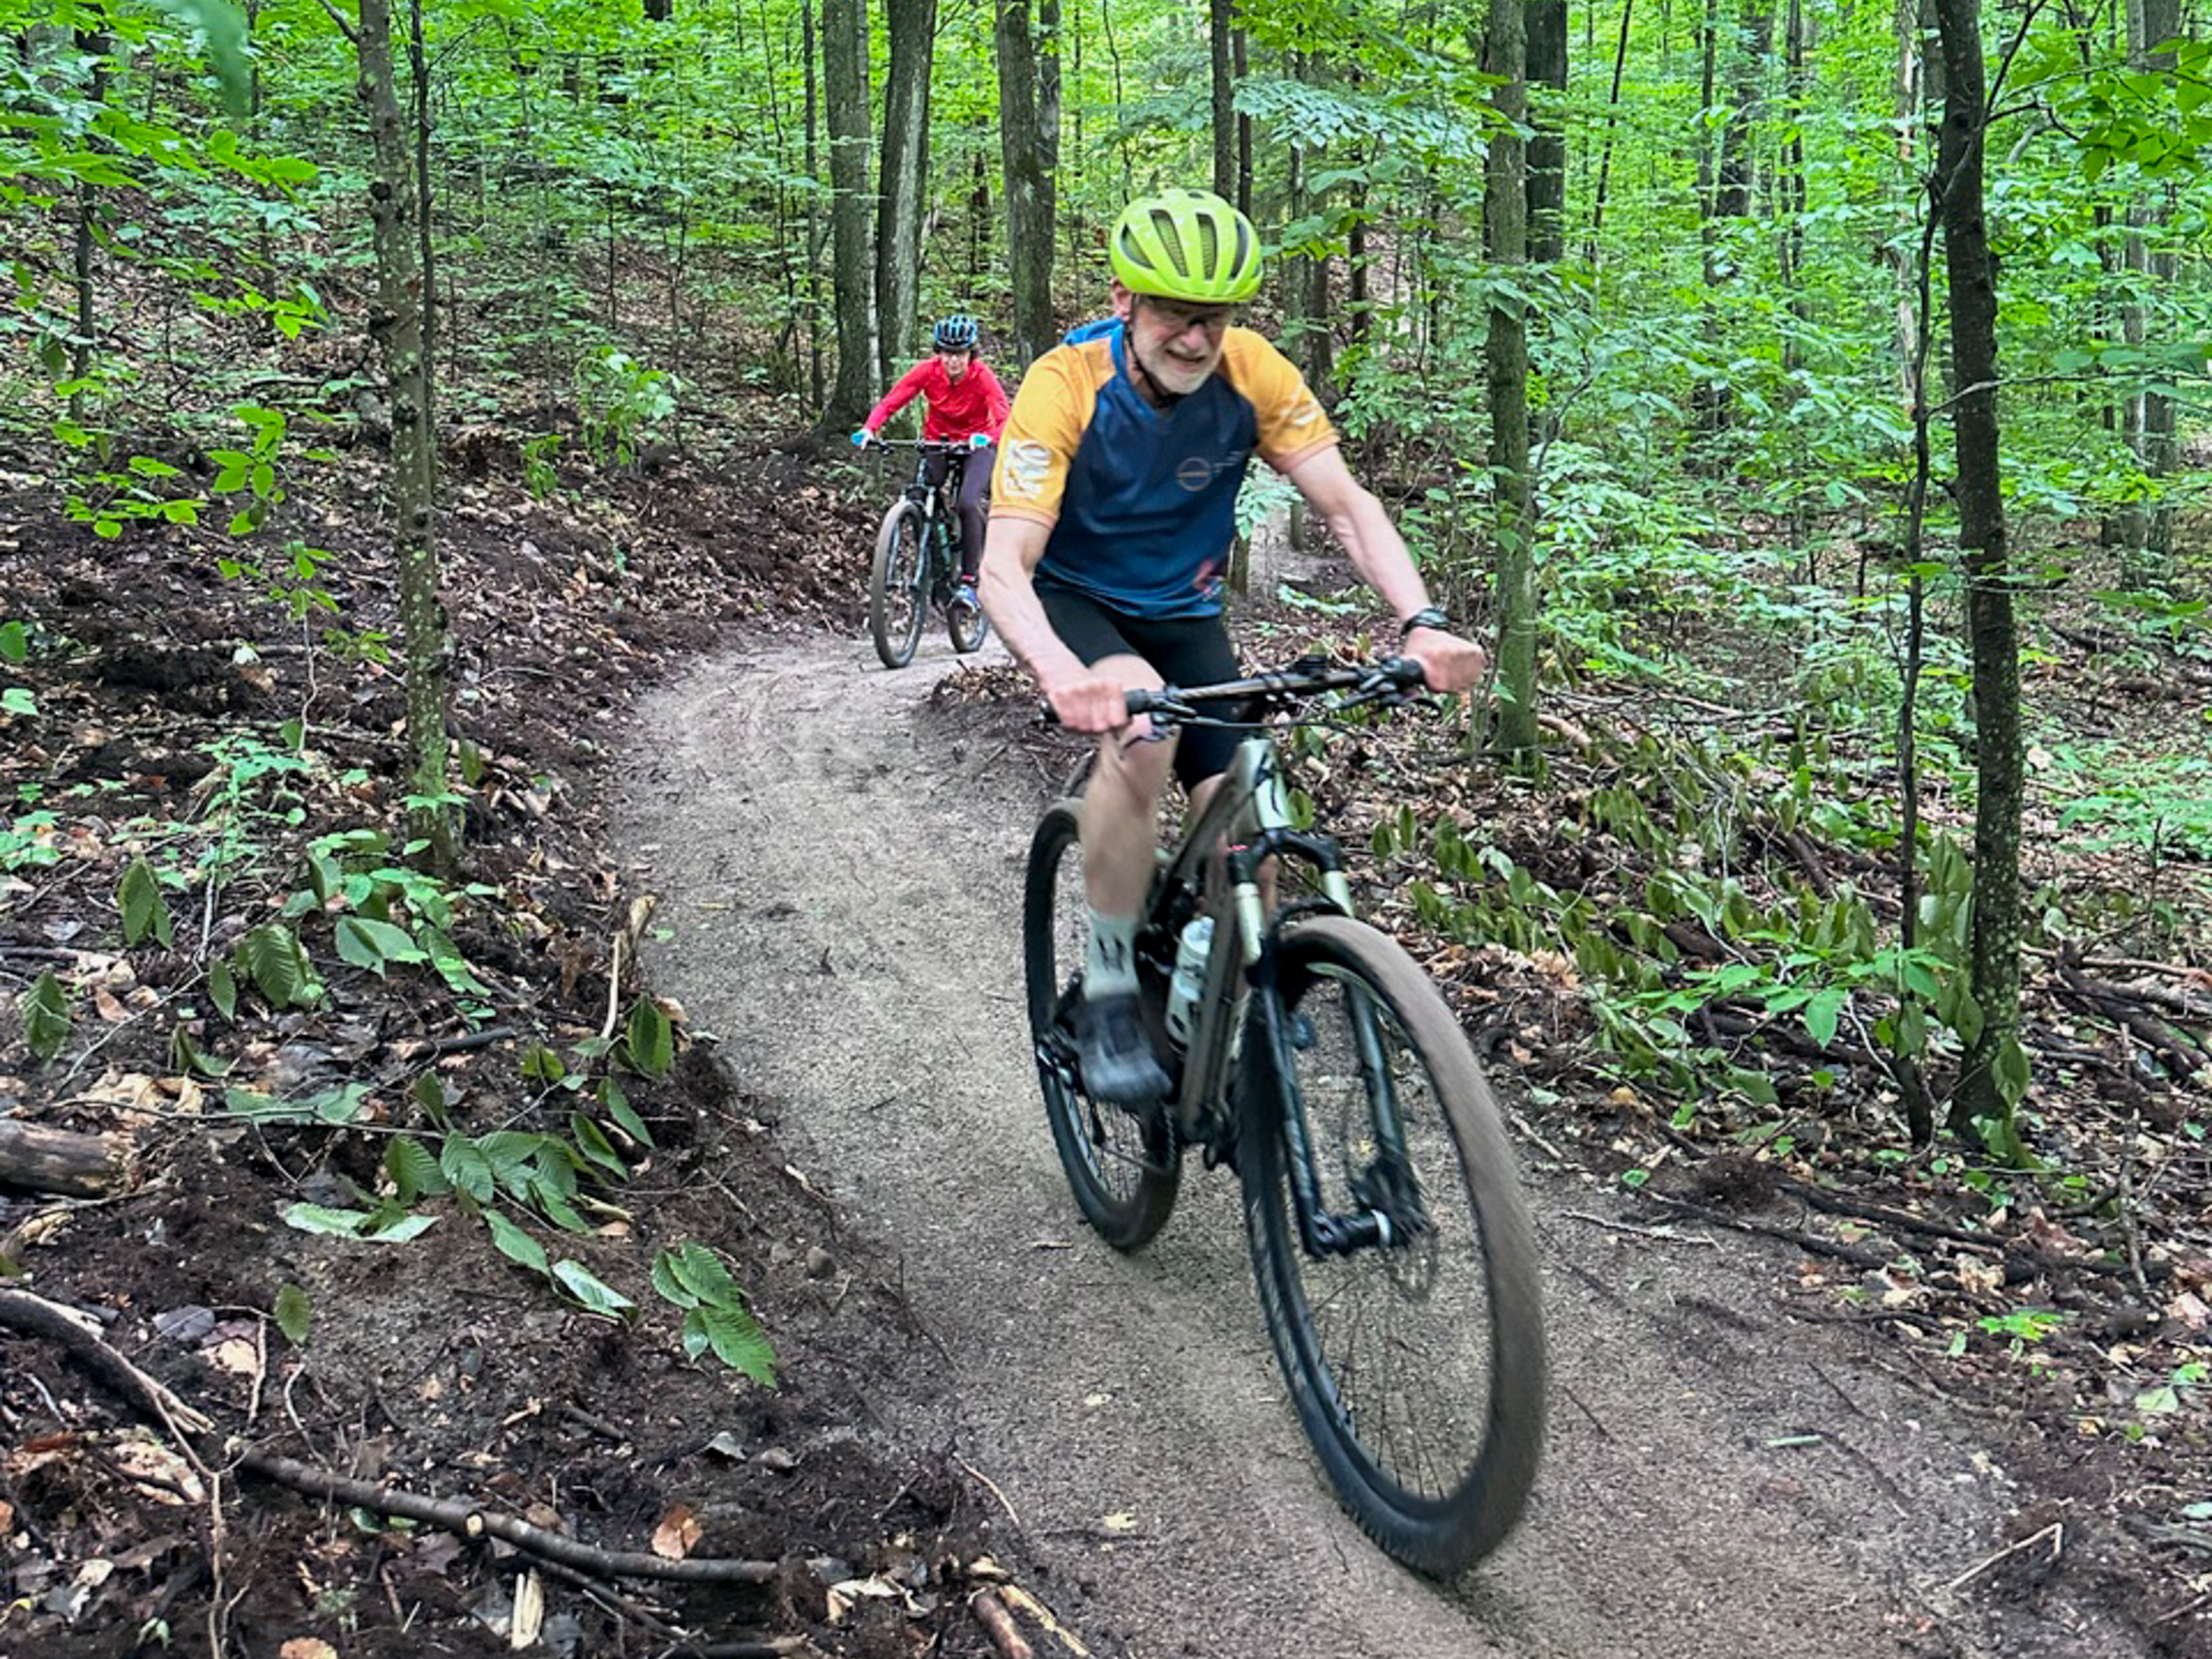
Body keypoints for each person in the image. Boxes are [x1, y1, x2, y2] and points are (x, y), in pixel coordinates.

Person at [979, 189, 1488, 1103]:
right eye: (1176, 311)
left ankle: (1206, 984)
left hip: (1186, 612)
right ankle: (1106, 984)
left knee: (1253, 816)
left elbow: (1347, 508)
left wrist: (1422, 621)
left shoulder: (1253, 373)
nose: (1196, 337)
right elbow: (1005, 565)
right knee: (1143, 735)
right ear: (1125, 299)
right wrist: (1060, 673)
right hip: (1079, 601)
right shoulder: (1065, 384)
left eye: (1216, 317)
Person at [853, 314, 1010, 615]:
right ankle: (935, 562)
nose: (953, 361)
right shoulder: (928, 371)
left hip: (976, 445)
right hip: (938, 440)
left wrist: (987, 438)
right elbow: (892, 401)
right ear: (939, 353)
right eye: (947, 353)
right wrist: (870, 429)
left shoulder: (982, 376)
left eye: (960, 354)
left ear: (971, 354)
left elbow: (1005, 417)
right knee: (922, 493)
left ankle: (970, 581)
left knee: (967, 503)